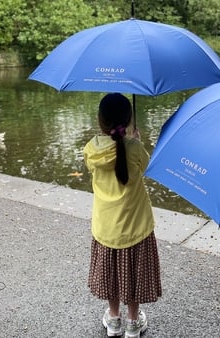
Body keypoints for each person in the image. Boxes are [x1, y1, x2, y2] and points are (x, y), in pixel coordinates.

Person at [83, 93, 162, 338]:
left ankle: (114, 320)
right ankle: (132, 323)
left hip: (106, 227)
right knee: (133, 275)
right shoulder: (134, 147)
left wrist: (126, 140)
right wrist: (134, 140)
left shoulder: (91, 149)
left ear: (100, 121)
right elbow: (146, 167)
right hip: (135, 226)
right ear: (129, 120)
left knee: (112, 274)